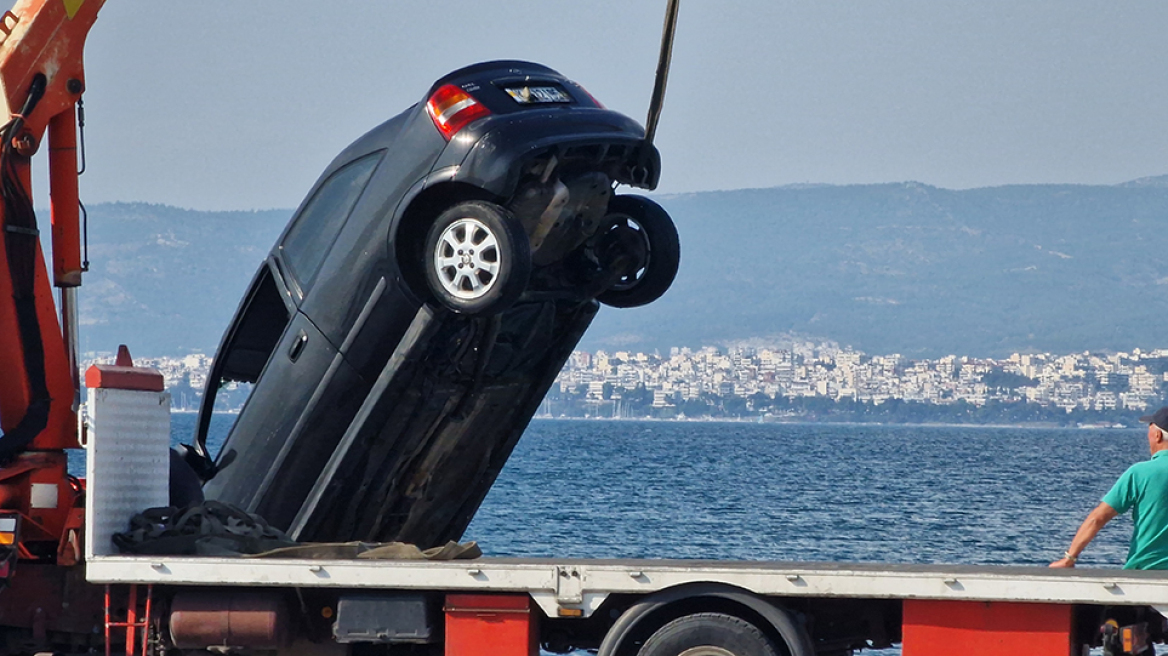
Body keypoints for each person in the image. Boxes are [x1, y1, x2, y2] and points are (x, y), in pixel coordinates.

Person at [1051, 406, 1168, 569]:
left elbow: (1098, 518)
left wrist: (1070, 557)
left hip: (1146, 570)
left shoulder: (1140, 473)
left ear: (1157, 435)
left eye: (1149, 429)